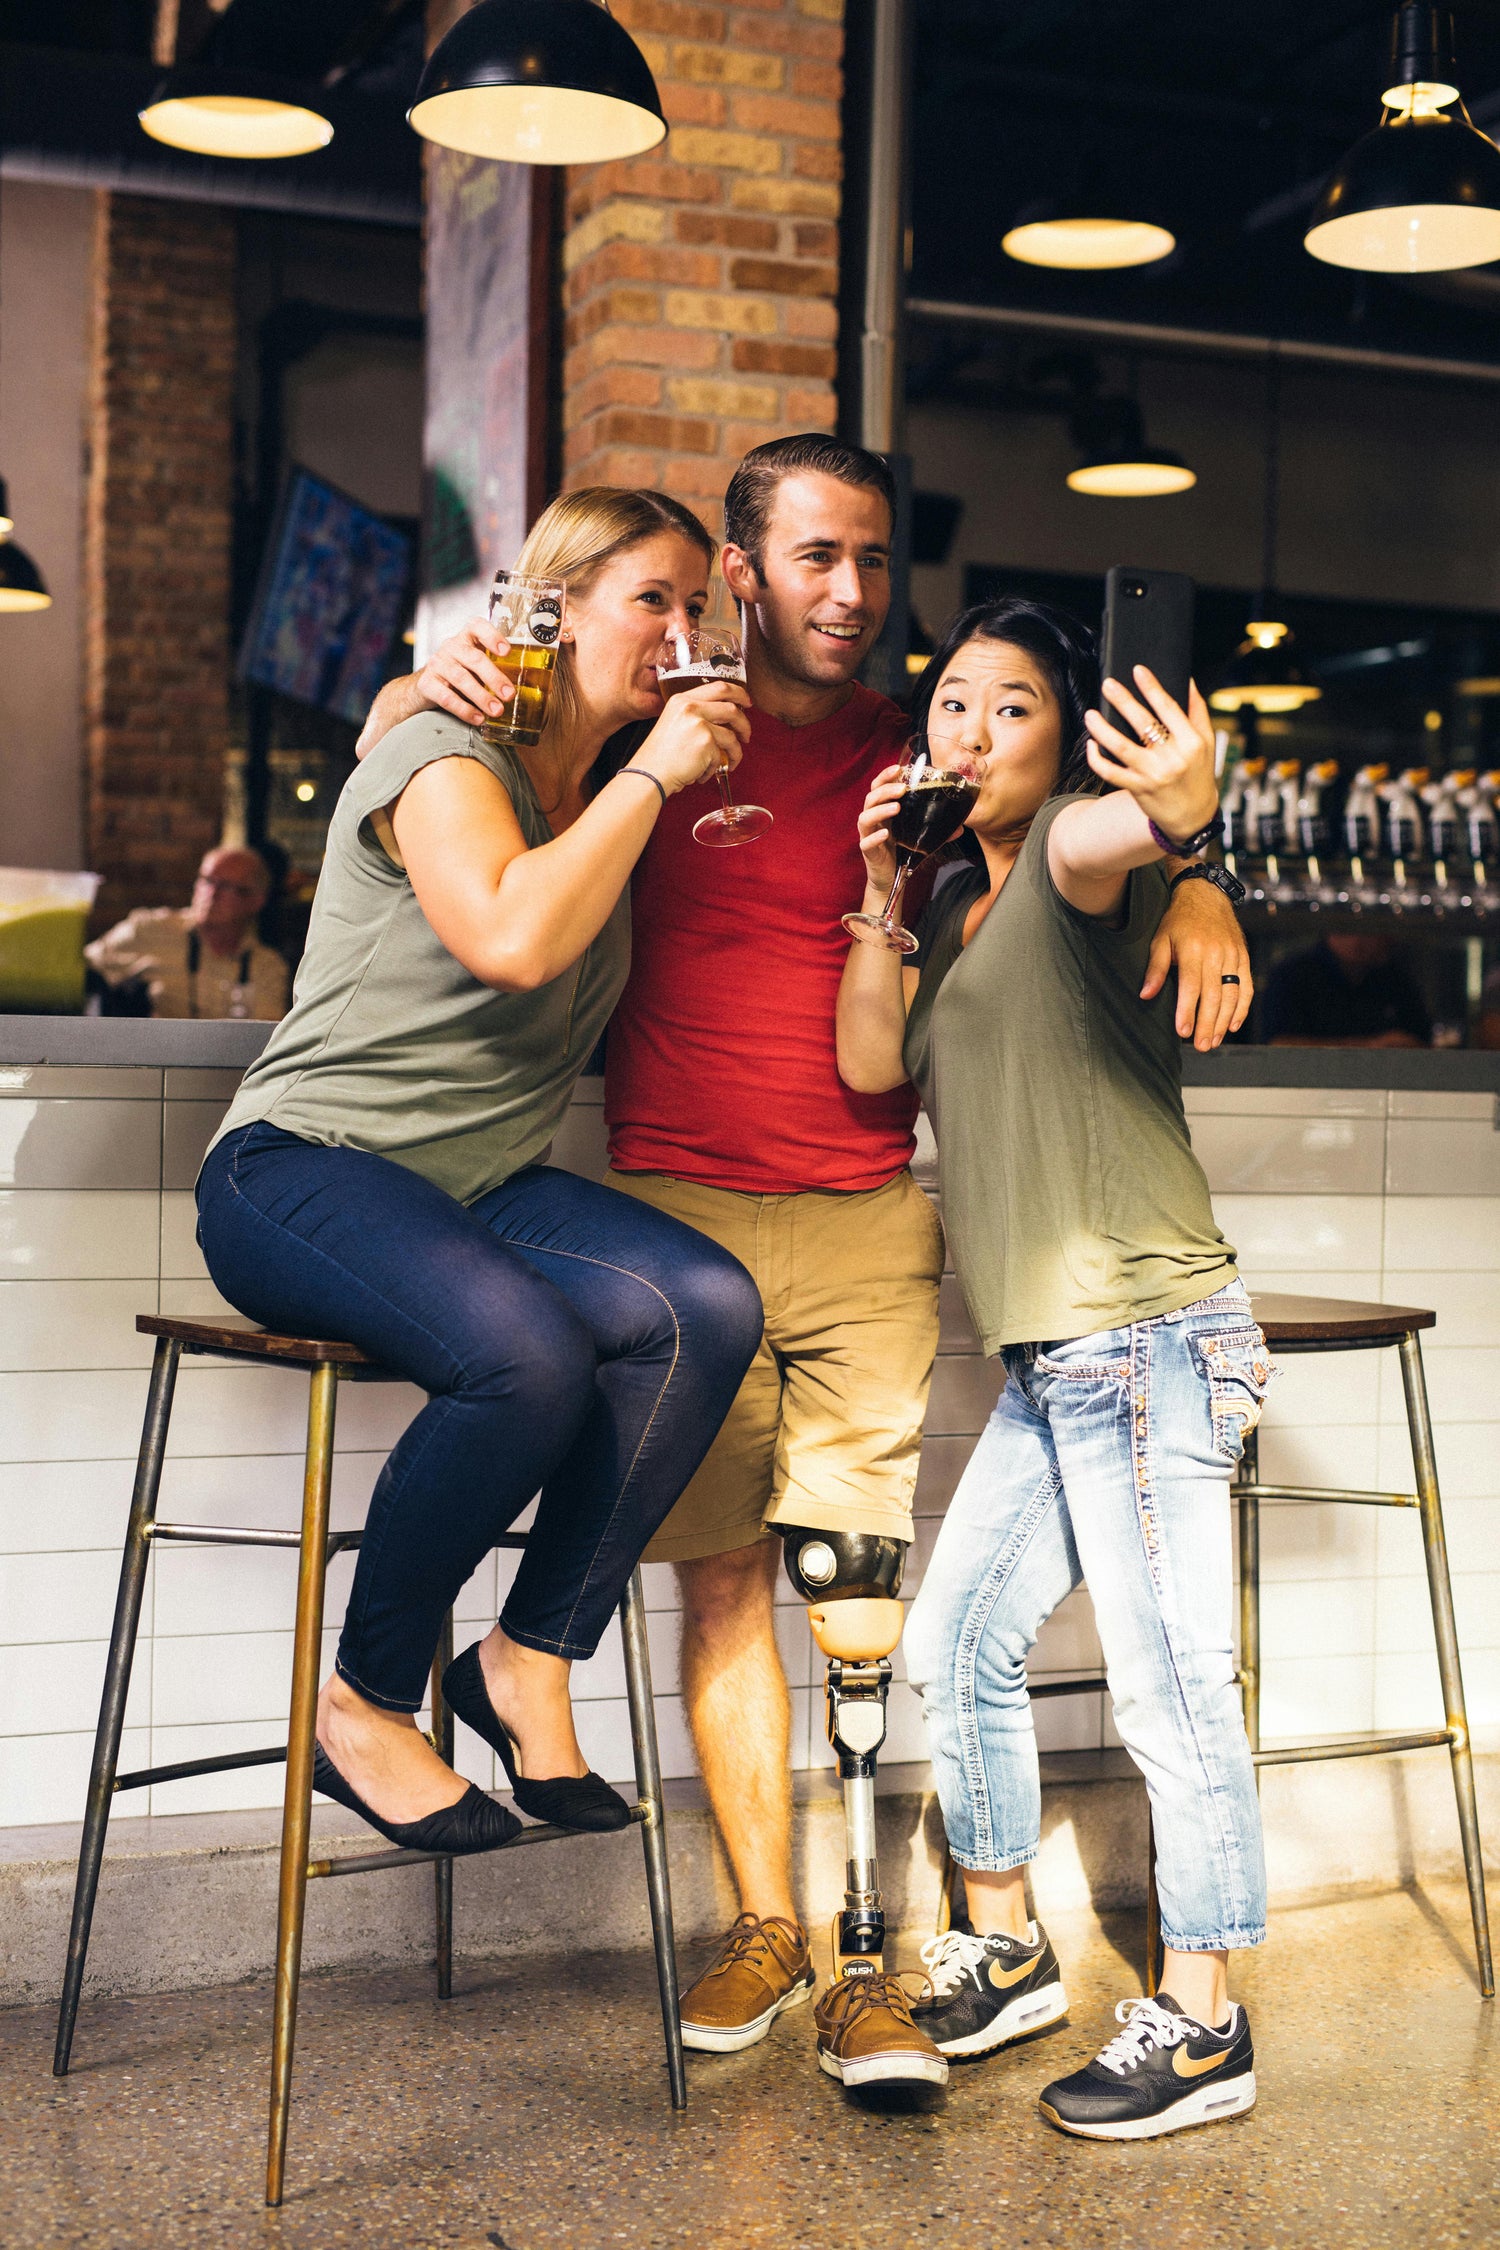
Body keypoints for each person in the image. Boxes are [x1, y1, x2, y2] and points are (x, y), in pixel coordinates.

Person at [357, 436, 1252, 2070]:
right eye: (814, 560)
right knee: (718, 1594)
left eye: (872, 559)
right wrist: (425, 674)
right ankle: (763, 1923)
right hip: (675, 1232)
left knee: (859, 1603)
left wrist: (1204, 873)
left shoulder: (928, 754)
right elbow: (448, 756)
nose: (850, 592)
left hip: (866, 1227)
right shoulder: (643, 732)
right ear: (743, 578)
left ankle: (866, 1958)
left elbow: (1090, 833)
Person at [197, 488, 764, 1859]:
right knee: (525, 1352)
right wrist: (646, 778)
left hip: (475, 1183)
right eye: (655, 600)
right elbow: (511, 937)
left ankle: (526, 1655)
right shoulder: (446, 752)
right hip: (304, 1168)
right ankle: (366, 1699)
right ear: (553, 611)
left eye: (702, 607)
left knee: (702, 1306)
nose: (685, 632)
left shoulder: (596, 791)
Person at [837, 597, 1272, 2139]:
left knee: (1171, 1689)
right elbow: (871, 1067)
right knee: (954, 1648)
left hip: (1151, 1337)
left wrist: (1189, 822)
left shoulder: (1084, 871)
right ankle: (1011, 1945)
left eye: (1011, 706)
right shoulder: (957, 916)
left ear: (1061, 734)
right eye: (951, 701)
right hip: (1050, 1363)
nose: (970, 729)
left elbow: (1125, 827)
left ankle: (1207, 2020)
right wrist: (885, 888)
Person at [86, 845, 290, 1020]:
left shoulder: (267, 966)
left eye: (226, 886)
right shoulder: (150, 929)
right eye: (207, 880)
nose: (211, 894)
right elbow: (81, 969)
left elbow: (266, 1040)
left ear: (255, 901)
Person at [1264, 931, 1431, 1047]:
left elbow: (1423, 1044)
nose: (1386, 938)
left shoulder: (1395, 979)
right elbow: (1278, 1044)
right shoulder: (1293, 973)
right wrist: (1373, 1047)